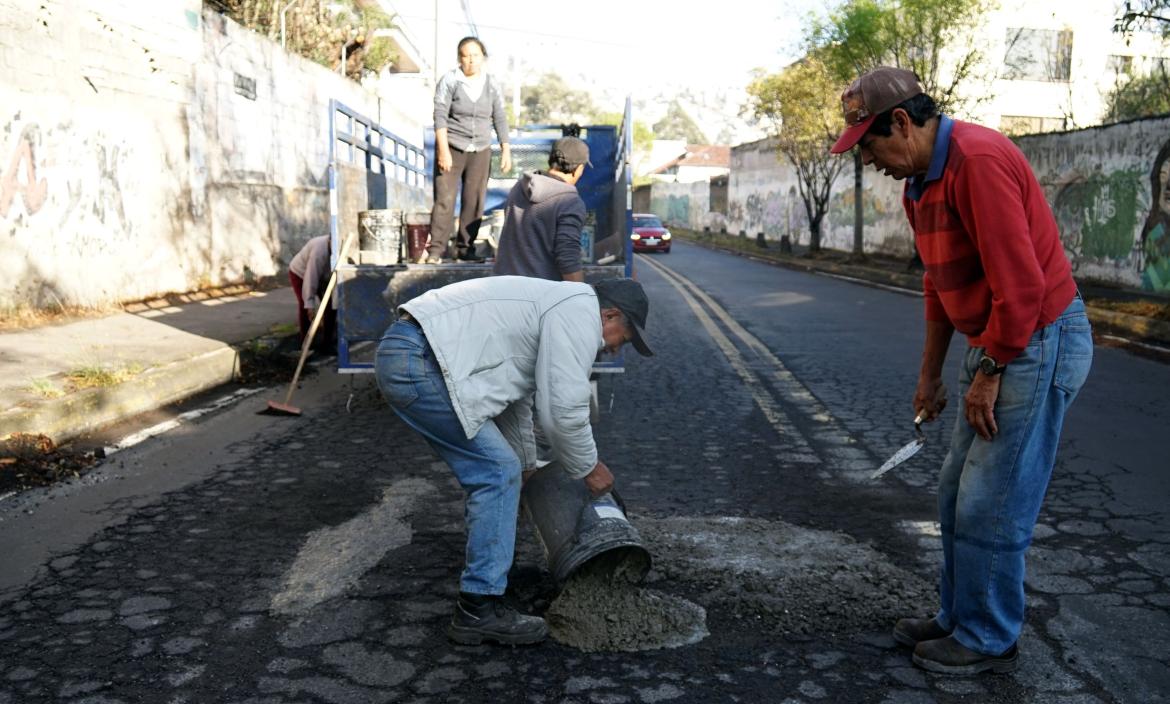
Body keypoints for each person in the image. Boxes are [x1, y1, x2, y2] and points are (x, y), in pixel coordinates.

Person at [830, 67, 1093, 675]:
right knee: (952, 493)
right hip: (998, 339)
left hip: (1037, 338)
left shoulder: (977, 160)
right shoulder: (920, 182)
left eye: (869, 146)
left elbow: (1023, 286)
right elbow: (939, 283)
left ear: (901, 122)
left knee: (989, 502)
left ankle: (988, 634)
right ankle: (958, 616)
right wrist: (931, 374)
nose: (869, 161)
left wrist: (991, 368)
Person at [374, 276, 654, 645]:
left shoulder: (557, 305)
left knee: (505, 469)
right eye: (624, 338)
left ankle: (489, 574)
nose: (617, 349)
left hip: (413, 354)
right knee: (495, 472)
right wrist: (589, 467)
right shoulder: (578, 312)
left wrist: (526, 463)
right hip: (419, 360)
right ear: (610, 314)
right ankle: (479, 607)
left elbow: (514, 396)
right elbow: (564, 411)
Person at [422, 36, 511, 264]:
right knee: (445, 199)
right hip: (452, 146)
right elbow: (440, 115)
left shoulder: (491, 84)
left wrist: (505, 148)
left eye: (475, 55)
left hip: (481, 149)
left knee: (474, 200)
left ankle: (465, 249)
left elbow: (499, 116)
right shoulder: (450, 80)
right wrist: (443, 150)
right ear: (459, 58)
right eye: (465, 55)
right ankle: (436, 250)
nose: (470, 60)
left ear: (483, 58)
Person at [493, 136, 592, 281]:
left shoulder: (519, 188)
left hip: (502, 287)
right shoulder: (570, 201)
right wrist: (582, 298)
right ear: (579, 169)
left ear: (550, 161)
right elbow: (568, 258)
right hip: (539, 296)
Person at [288, 235, 336, 352]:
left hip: (323, 277)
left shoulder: (338, 249)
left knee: (331, 306)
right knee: (304, 305)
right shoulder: (319, 252)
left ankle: (327, 344)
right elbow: (311, 278)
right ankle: (306, 344)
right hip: (301, 273)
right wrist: (309, 304)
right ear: (329, 241)